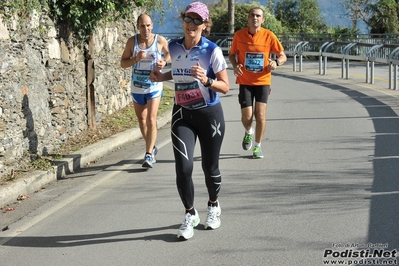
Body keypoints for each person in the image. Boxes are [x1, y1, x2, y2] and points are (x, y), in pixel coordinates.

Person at [149, 2, 229, 240]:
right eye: (188, 19)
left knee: (209, 167)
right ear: (183, 20)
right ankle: (190, 213)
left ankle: (213, 206)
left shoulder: (211, 50)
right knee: (184, 168)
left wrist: (207, 81)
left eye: (197, 20)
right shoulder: (173, 47)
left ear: (205, 25)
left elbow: (225, 86)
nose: (191, 24)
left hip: (209, 115)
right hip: (182, 113)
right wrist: (160, 75)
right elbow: (177, 71)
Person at [229, 7, 287, 159]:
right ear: (248, 19)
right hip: (245, 81)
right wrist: (235, 66)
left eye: (258, 16)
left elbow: (282, 55)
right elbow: (231, 54)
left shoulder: (269, 36)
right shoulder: (239, 35)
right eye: (252, 15)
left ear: (263, 20)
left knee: (260, 114)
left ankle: (258, 146)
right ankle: (248, 131)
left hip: (263, 81)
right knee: (247, 117)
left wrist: (276, 62)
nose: (255, 18)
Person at [121, 14, 171, 169]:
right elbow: (123, 63)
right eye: (142, 26)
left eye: (148, 25)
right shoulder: (132, 42)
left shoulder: (160, 40)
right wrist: (135, 59)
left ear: (152, 26)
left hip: (154, 86)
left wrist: (164, 61)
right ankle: (152, 145)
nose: (146, 29)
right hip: (137, 87)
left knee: (151, 119)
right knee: (142, 121)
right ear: (138, 27)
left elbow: (170, 54)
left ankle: (148, 154)